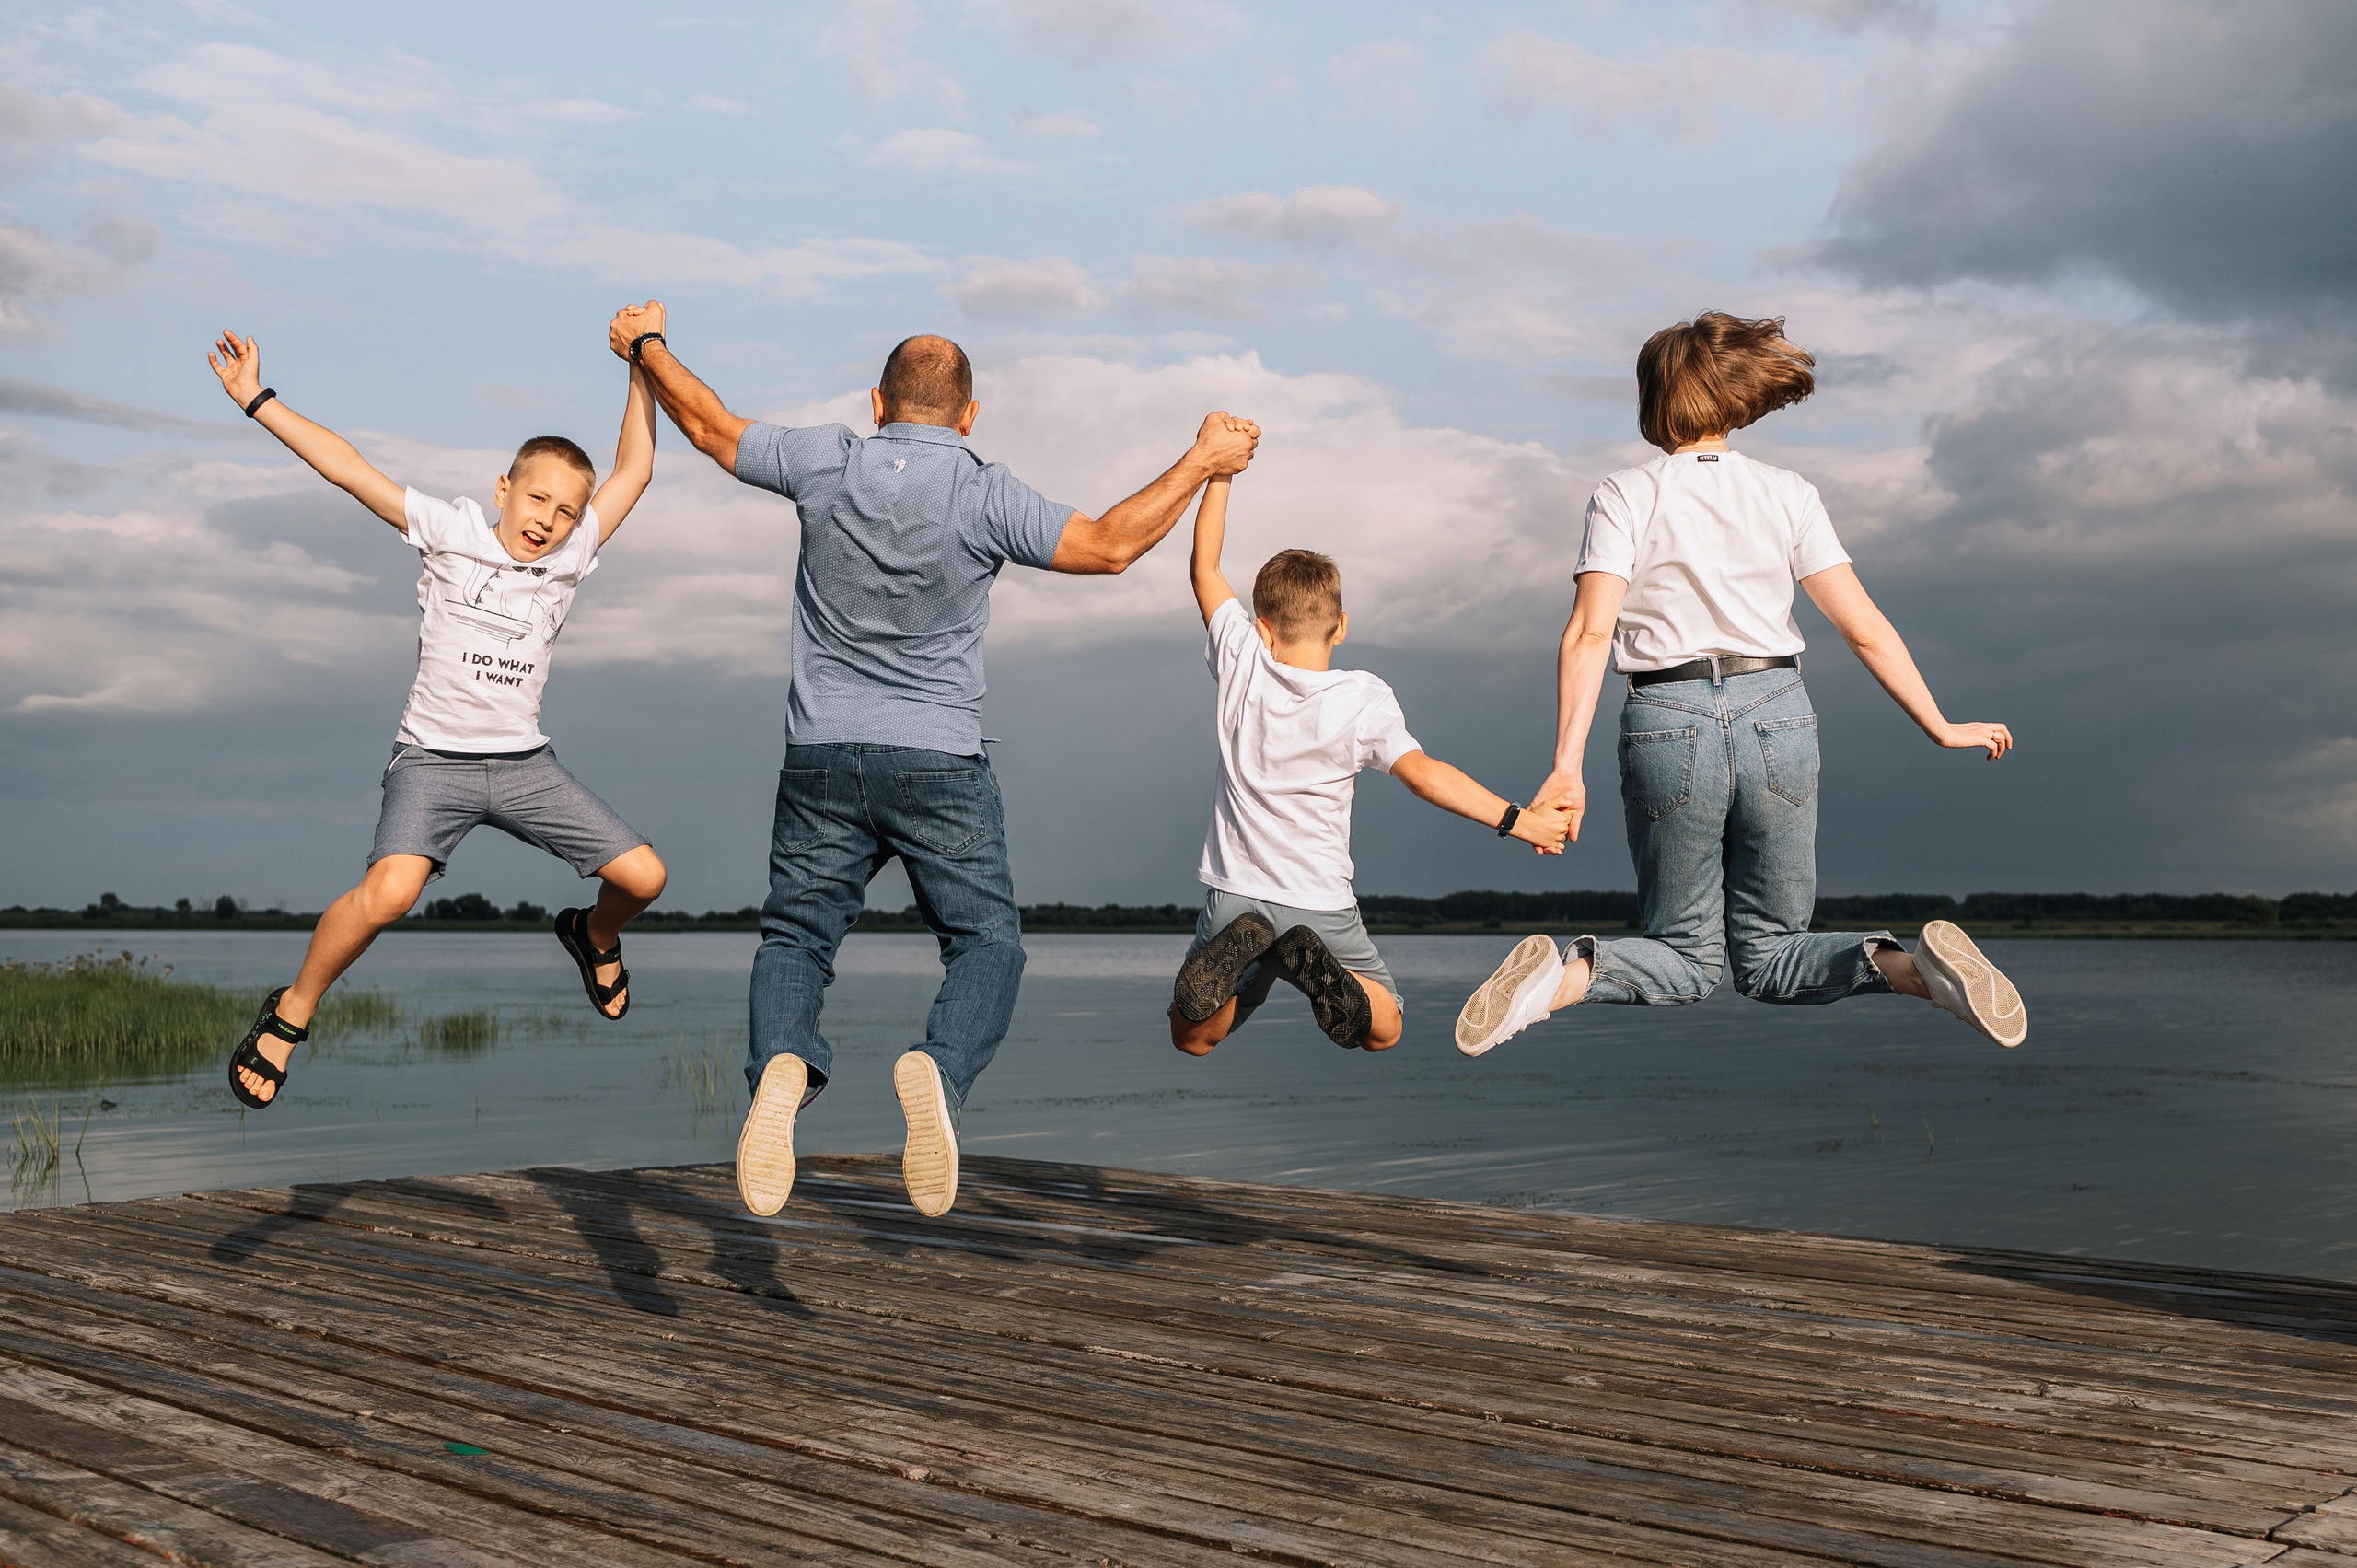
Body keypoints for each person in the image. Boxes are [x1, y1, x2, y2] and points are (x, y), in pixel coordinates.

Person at [607, 301, 1260, 1219]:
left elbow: (711, 428)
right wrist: (1203, 460)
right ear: (969, 414)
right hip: (938, 760)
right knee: (985, 942)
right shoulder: (983, 491)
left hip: (821, 755)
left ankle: (784, 1061)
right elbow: (1112, 545)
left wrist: (646, 346)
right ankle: (938, 1068)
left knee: (795, 938)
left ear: (877, 402)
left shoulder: (826, 459)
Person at [1456, 310, 2026, 1056]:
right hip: (1778, 713)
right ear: (1734, 395)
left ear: (1655, 402)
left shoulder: (1625, 493)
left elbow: (1591, 632)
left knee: (1690, 958)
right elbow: (1864, 627)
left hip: (1666, 714)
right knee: (1774, 953)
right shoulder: (1788, 492)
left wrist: (1565, 765)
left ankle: (1555, 983)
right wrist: (1942, 724)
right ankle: (1921, 970)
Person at [208, 329, 668, 1111]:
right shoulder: (450, 532)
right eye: (535, 499)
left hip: (525, 765)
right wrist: (258, 400)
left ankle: (592, 935)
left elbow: (637, 469)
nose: (547, 520)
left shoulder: (571, 555)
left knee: (645, 877)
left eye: (565, 511)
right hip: (433, 761)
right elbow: (349, 469)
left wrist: (644, 360)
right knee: (389, 894)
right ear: (503, 489)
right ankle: (291, 1011)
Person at [1170, 473, 1573, 1057]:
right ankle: (1317, 971)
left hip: (1238, 895)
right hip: (1319, 901)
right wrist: (1522, 820)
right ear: (1342, 624)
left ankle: (1236, 961)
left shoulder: (1243, 661)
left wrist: (1221, 471)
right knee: (1384, 1031)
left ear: (1261, 630)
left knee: (1194, 1038)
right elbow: (1423, 772)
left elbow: (1204, 568)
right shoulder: (1363, 696)